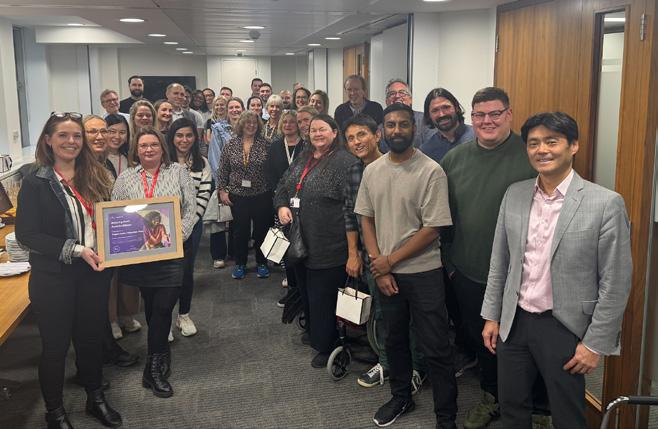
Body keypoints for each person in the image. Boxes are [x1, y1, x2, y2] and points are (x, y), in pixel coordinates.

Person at [481, 112, 632, 429]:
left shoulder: (605, 203)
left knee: (567, 416)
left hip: (563, 325)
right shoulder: (515, 194)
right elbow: (500, 261)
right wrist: (492, 315)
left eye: (552, 141)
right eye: (533, 143)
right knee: (511, 408)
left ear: (573, 145)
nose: (541, 150)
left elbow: (616, 282)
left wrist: (594, 344)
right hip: (514, 321)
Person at [439, 87, 541, 429]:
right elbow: (443, 218)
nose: (487, 121)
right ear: (471, 118)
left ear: (509, 114)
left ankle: (538, 409)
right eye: (480, 115)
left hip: (523, 275)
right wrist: (451, 267)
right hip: (469, 273)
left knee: (529, 342)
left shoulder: (531, 155)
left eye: (495, 113)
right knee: (484, 341)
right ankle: (492, 396)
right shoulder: (455, 159)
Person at [16, 112, 122, 428]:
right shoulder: (35, 181)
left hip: (93, 273)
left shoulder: (96, 174)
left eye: (77, 136)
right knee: (56, 347)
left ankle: (95, 398)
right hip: (53, 278)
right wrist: (76, 250)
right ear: (48, 140)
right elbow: (27, 235)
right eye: (63, 135)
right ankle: (55, 412)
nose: (71, 141)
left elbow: (107, 217)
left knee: (90, 340)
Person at [354, 103, 457, 428]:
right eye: (391, 125)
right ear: (382, 131)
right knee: (395, 340)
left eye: (403, 124)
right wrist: (379, 264)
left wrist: (389, 262)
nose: (397, 130)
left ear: (414, 128)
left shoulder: (431, 171)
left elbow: (433, 228)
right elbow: (365, 218)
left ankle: (446, 416)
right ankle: (401, 397)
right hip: (386, 273)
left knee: (436, 346)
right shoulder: (373, 171)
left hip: (423, 273)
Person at [342, 114, 426, 394]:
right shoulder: (354, 172)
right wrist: (354, 253)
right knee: (382, 314)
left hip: (407, 256)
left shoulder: (400, 165)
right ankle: (387, 363)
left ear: (377, 135)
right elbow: (351, 215)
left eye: (362, 135)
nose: (357, 142)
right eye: (351, 138)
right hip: (373, 258)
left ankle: (415, 367)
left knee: (411, 317)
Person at [112, 127, 197, 398]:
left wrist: (177, 236)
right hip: (141, 255)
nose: (148, 149)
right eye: (143, 145)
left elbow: (191, 208)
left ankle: (154, 367)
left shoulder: (178, 172)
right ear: (136, 150)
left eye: (154, 145)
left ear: (162, 148)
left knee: (163, 306)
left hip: (172, 253)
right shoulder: (126, 178)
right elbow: (115, 213)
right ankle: (160, 355)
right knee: (150, 305)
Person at [274, 114, 358, 367]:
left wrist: (354, 251)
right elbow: (283, 185)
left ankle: (328, 344)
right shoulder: (305, 157)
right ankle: (314, 331)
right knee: (307, 293)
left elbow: (352, 209)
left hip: (329, 245)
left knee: (323, 298)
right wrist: (281, 206)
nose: (317, 134)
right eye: (313, 130)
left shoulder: (346, 163)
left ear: (335, 132)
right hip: (300, 243)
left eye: (322, 129)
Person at [166, 118, 212, 337]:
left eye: (188, 135)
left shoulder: (202, 163)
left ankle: (183, 315)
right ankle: (164, 320)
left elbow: (204, 195)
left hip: (191, 227)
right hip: (163, 227)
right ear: (172, 137)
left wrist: (187, 225)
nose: (184, 140)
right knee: (164, 275)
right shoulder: (163, 161)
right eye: (179, 135)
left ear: (195, 138)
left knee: (186, 272)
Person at [218, 111, 273, 280]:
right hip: (238, 194)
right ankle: (240, 263)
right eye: (248, 122)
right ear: (241, 124)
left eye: (254, 123)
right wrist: (222, 190)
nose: (251, 125)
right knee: (240, 231)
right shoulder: (231, 144)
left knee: (262, 230)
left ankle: (262, 262)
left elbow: (273, 169)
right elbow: (223, 169)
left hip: (261, 194)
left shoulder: (266, 144)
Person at [105, 114, 142, 338]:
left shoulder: (130, 158)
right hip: (108, 221)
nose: (117, 136)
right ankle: (111, 319)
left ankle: (127, 315)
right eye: (112, 131)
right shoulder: (96, 159)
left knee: (130, 272)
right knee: (111, 276)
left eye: (122, 132)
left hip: (131, 219)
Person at [266, 110, 305, 304]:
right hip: (282, 200)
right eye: (285, 122)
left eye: (292, 122)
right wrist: (278, 193)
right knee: (286, 243)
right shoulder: (275, 146)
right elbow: (269, 172)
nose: (288, 125)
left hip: (303, 201)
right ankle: (291, 285)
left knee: (302, 242)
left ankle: (302, 287)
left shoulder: (306, 145)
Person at [207, 97, 242, 269]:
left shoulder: (247, 129)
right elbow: (215, 158)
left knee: (237, 219)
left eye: (238, 107)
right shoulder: (219, 129)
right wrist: (221, 186)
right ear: (227, 110)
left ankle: (235, 252)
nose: (235, 110)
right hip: (223, 181)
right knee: (219, 219)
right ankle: (218, 255)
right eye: (232, 107)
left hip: (241, 183)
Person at [379, 79, 437, 152]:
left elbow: (433, 147)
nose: (397, 96)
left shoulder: (425, 120)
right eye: (392, 93)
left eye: (402, 93)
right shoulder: (381, 127)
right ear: (386, 101)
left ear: (410, 99)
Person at [419, 88, 474, 163]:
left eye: (446, 107)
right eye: (435, 110)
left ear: (456, 108)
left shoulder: (477, 137)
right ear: (429, 116)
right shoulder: (426, 151)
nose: (441, 114)